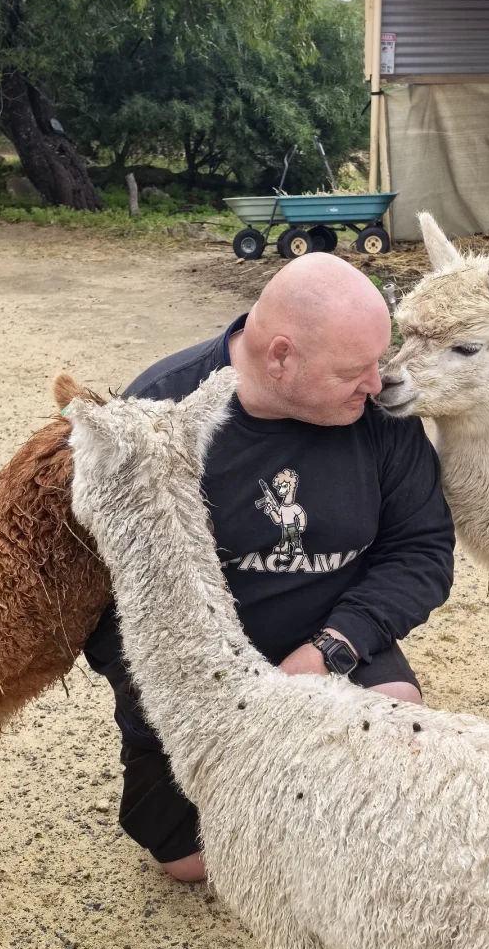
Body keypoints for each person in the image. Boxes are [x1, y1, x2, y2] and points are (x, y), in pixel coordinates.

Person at [84, 252, 454, 882]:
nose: (379, 384)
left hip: (324, 645)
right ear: (281, 356)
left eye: (378, 361)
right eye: (354, 371)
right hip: (201, 675)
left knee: (399, 728)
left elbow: (421, 550)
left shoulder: (378, 414)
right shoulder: (160, 410)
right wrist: (197, 699)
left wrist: (331, 650)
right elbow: (98, 594)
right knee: (192, 863)